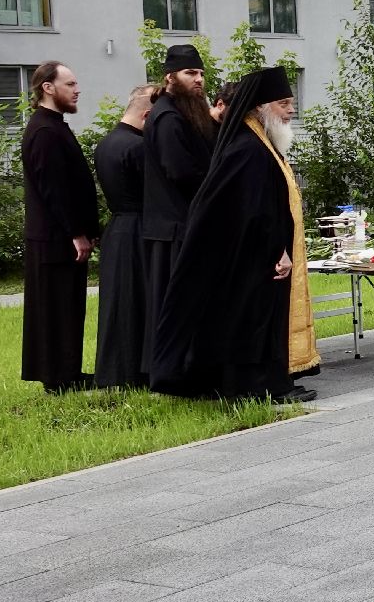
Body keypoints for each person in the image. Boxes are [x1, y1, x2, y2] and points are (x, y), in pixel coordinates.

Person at [149, 67, 317, 402]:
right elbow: (253, 211)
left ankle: (270, 383)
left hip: (256, 254)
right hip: (253, 257)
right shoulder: (248, 149)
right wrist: (277, 250)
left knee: (259, 319)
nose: (291, 110)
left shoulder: (258, 143)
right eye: (283, 104)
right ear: (260, 108)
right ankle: (258, 388)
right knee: (251, 321)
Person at [20, 62, 101, 393]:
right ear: (48, 88)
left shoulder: (53, 126)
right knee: (55, 307)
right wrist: (76, 233)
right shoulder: (44, 131)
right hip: (54, 239)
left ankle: (66, 373)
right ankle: (59, 378)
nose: (77, 89)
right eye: (70, 84)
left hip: (58, 236)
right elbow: (54, 189)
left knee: (66, 305)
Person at [141, 44, 213, 366]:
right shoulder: (168, 116)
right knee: (179, 304)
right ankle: (178, 371)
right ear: (170, 77)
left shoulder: (183, 111)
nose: (198, 79)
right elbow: (180, 171)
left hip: (182, 223)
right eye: (190, 73)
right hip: (175, 227)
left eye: (201, 73)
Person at [91, 84, 159, 389]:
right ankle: (136, 371)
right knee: (138, 300)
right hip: (138, 229)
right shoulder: (138, 147)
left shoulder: (106, 143)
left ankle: (115, 371)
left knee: (118, 303)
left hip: (116, 228)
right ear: (147, 115)